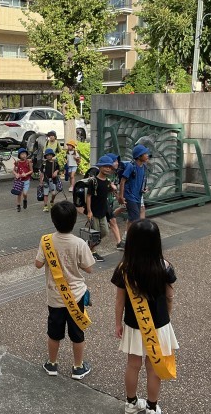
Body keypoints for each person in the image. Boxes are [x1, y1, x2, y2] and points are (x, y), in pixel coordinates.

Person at [112, 219, 178, 414]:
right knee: (154, 367)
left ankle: (131, 404)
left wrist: (118, 323)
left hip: (134, 325)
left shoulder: (124, 268)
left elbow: (119, 301)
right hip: (159, 325)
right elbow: (169, 296)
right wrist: (168, 317)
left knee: (133, 365)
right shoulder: (164, 267)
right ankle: (152, 407)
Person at [35, 201, 95, 380]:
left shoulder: (46, 241)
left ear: (53, 221)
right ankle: (78, 367)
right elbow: (89, 268)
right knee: (77, 334)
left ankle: (52, 364)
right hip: (75, 296)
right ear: (74, 220)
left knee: (54, 333)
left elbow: (38, 264)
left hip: (55, 297)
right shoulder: (79, 243)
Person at [84, 155, 117, 263]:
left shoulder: (107, 181)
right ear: (100, 167)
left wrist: (112, 189)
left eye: (109, 167)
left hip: (103, 212)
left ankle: (89, 247)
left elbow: (105, 192)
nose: (108, 168)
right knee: (95, 233)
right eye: (105, 166)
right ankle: (92, 251)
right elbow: (89, 196)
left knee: (105, 232)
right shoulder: (93, 181)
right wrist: (89, 211)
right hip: (94, 212)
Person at [118, 144, 150, 234]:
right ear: (139, 156)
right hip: (130, 196)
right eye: (145, 154)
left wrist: (144, 188)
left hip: (138, 196)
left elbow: (141, 180)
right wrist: (121, 196)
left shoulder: (143, 166)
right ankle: (132, 238)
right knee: (135, 219)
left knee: (133, 218)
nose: (147, 155)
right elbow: (122, 181)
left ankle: (127, 237)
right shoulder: (131, 166)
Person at [106, 153, 126, 250]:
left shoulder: (115, 173)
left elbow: (114, 189)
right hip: (100, 202)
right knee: (109, 222)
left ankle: (119, 243)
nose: (117, 163)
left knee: (112, 220)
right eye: (115, 161)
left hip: (108, 201)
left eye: (117, 161)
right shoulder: (103, 173)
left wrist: (119, 197)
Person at [13, 147, 33, 212]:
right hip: (19, 181)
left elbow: (31, 171)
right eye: (22, 154)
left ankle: (25, 200)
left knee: (25, 193)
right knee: (19, 194)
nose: (24, 155)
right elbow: (13, 170)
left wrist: (26, 174)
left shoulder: (28, 162)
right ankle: (18, 205)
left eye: (25, 154)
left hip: (26, 180)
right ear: (19, 155)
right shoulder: (17, 162)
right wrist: (16, 174)